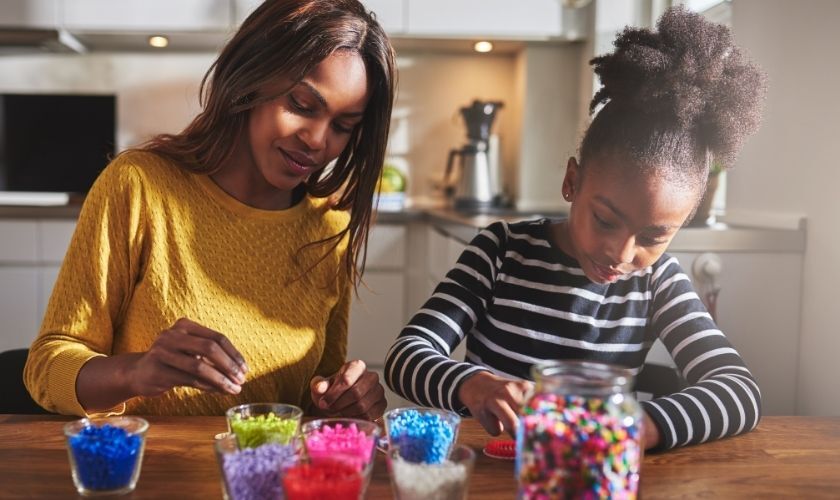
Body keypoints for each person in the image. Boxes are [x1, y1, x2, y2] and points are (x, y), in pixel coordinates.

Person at [384, 6, 766, 451]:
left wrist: (641, 425)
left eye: (653, 237)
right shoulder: (500, 250)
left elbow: (739, 390)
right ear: (572, 181)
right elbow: (406, 356)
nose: (622, 253)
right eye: (605, 219)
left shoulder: (657, 282)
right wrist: (477, 385)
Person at [24, 0, 397, 419]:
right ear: (249, 78)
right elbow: (47, 366)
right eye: (302, 105)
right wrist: (137, 372)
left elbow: (315, 399)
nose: (318, 140)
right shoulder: (140, 186)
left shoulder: (330, 225)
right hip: (147, 474)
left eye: (343, 126)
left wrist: (343, 400)